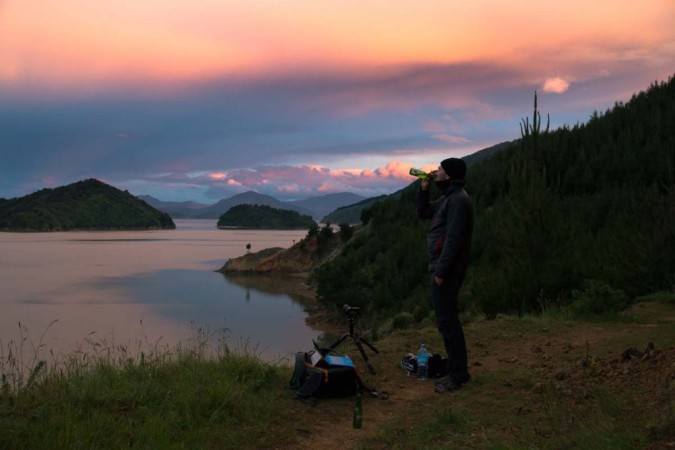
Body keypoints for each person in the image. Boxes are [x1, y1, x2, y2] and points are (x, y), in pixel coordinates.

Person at [416, 157, 474, 393]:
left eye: (439, 169)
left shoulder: (459, 200)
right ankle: (457, 369)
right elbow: (423, 212)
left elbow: (454, 240)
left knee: (448, 322)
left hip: (446, 270)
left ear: (448, 174)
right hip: (441, 268)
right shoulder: (448, 198)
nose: (436, 171)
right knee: (446, 321)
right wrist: (424, 189)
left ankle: (458, 374)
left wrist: (441, 271)